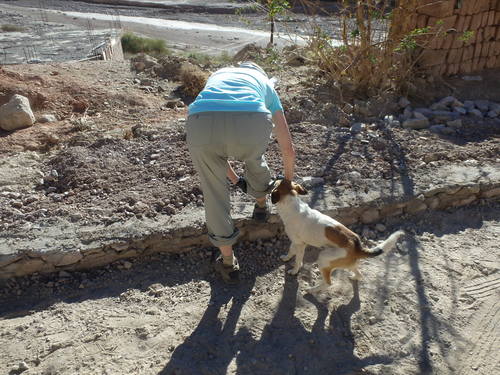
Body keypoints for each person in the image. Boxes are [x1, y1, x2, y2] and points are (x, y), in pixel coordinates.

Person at [185, 61, 295, 284]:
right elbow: (287, 148)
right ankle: (262, 206)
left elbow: (219, 147)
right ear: (260, 73)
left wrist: (236, 181)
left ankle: (228, 262)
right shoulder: (265, 84)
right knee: (255, 161)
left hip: (201, 122)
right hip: (251, 121)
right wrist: (287, 183)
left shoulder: (218, 75)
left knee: (214, 195)